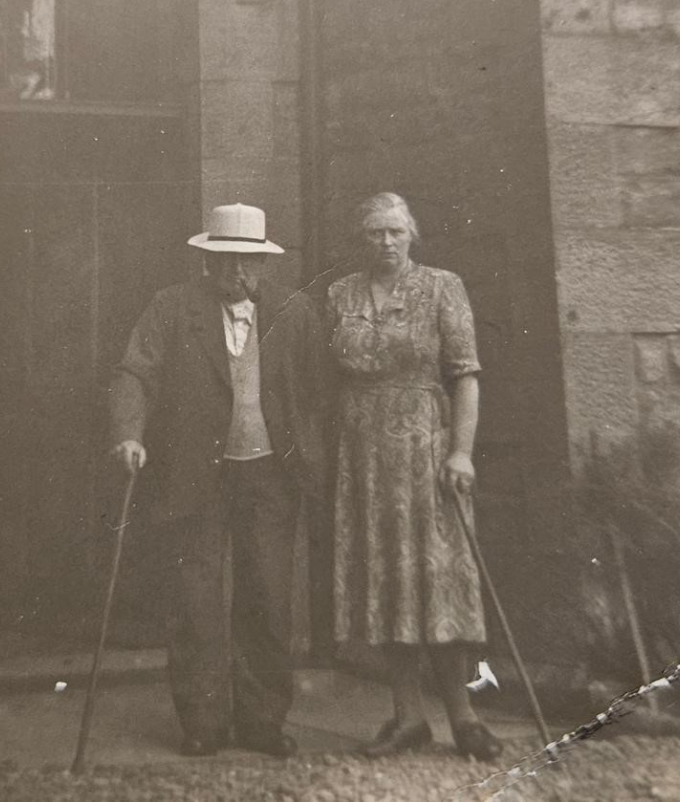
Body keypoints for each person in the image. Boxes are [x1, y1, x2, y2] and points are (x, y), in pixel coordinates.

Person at [109, 202, 325, 758]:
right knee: (195, 599)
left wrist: (310, 454)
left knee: (268, 600)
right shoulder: (172, 308)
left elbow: (315, 390)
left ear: (263, 266)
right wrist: (130, 433)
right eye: (225, 262)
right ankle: (203, 722)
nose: (236, 275)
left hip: (269, 475)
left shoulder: (295, 312)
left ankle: (262, 722)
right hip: (194, 476)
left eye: (247, 264)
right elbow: (137, 371)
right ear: (207, 260)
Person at [330, 192, 501, 761]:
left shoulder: (442, 287)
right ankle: (408, 717)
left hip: (428, 455)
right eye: (376, 232)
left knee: (438, 584)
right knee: (388, 587)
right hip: (365, 463)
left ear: (412, 236)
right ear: (362, 238)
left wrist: (462, 452)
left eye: (396, 232)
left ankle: (464, 717)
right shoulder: (339, 295)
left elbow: (466, 376)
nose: (386, 242)